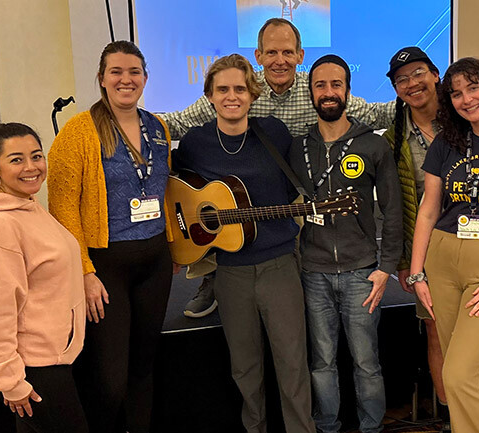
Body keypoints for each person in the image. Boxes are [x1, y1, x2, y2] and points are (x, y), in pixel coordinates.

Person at [161, 17, 397, 319]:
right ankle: (213, 277)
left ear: (300, 56)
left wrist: (424, 101)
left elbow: (376, 114)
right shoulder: (240, 87)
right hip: (239, 187)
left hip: (294, 185)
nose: (280, 60)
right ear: (258, 57)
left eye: (287, 52)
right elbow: (179, 122)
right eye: (271, 53)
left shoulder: (317, 90)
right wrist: (133, 125)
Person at [384, 47, 479, 432]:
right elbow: (422, 209)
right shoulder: (400, 131)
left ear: (435, 76)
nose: (411, 83)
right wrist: (412, 268)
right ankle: (460, 421)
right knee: (442, 344)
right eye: (401, 79)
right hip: (437, 252)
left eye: (418, 74)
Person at [173, 53, 314, 433]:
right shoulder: (195, 143)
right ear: (209, 95)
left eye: (239, 88)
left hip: (280, 265)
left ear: (252, 94)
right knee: (245, 367)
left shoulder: (275, 134)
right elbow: (179, 194)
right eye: (222, 89)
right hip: (229, 273)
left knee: (292, 363)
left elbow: (290, 188)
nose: (231, 96)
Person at [47, 40, 174, 433]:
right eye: (116, 72)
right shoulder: (78, 132)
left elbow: (163, 190)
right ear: (101, 79)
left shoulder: (158, 126)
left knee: (143, 368)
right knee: (111, 377)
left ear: (146, 79)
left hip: (155, 262)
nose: (126, 79)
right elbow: (63, 208)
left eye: (134, 72)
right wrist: (84, 271)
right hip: (105, 270)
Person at [289, 54, 402, 433]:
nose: (329, 92)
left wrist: (385, 268)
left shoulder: (373, 145)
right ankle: (327, 426)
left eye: (336, 84)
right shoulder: (297, 148)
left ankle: (372, 428)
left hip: (362, 273)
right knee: (321, 362)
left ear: (348, 91)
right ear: (311, 93)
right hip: (313, 273)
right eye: (320, 85)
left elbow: (393, 210)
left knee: (366, 362)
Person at [0, 122, 88, 433]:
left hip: (50, 358)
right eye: (16, 159)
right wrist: (10, 381)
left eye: (36, 156)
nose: (31, 168)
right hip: (34, 368)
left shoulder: (27, 207)